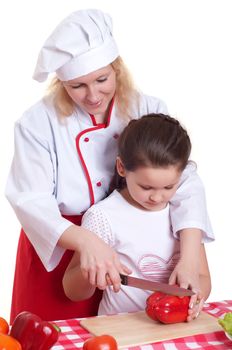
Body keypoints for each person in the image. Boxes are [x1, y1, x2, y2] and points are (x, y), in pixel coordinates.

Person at [5, 9, 213, 323]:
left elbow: (184, 182)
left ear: (117, 68)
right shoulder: (37, 123)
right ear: (61, 84)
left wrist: (191, 254)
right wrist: (86, 240)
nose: (92, 96)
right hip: (61, 240)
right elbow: (29, 200)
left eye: (102, 79)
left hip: (132, 236)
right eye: (77, 86)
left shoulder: (148, 107)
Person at [63, 113, 212, 321]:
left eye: (169, 186)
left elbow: (203, 278)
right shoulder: (103, 216)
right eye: (146, 186)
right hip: (120, 329)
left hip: (173, 328)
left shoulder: (184, 212)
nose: (158, 197)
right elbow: (72, 290)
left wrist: (195, 295)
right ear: (122, 168)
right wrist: (91, 274)